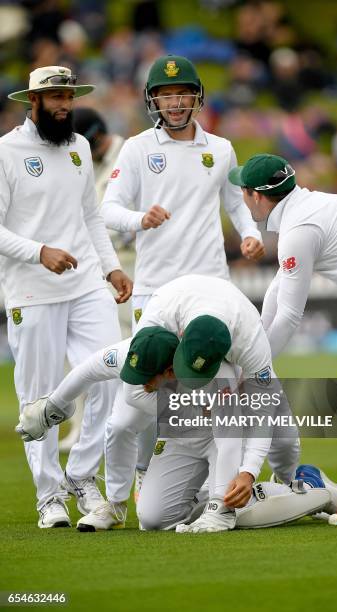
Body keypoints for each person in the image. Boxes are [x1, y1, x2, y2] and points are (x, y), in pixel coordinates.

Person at [16, 275, 301, 532]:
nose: (144, 385)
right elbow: (88, 370)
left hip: (226, 419)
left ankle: (293, 487)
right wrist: (51, 406)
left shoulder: (249, 346)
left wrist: (246, 473)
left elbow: (256, 413)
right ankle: (119, 504)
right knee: (124, 436)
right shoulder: (157, 327)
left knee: (280, 444)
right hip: (184, 416)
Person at [99, 54, 265, 492]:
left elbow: (236, 204)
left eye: (182, 94)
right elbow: (108, 210)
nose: (174, 103)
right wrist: (141, 220)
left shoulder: (220, 148)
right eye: (165, 95)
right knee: (149, 393)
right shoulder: (137, 148)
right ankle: (141, 474)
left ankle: (223, 480)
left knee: (219, 390)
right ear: (153, 100)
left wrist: (250, 233)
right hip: (155, 289)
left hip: (212, 286)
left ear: (196, 98)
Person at [228, 153, 337, 526]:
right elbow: (278, 293)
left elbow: (292, 315)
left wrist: (256, 369)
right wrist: (251, 353)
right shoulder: (302, 211)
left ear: (257, 196)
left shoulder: (299, 229)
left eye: (243, 193)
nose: (243, 202)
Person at [1, 65, 132, 528]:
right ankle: (48, 495)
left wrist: (112, 267)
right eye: (55, 97)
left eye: (69, 96)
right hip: (31, 289)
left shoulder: (78, 147)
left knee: (110, 375)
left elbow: (91, 217)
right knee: (37, 395)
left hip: (86, 283)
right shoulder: (6, 152)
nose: (64, 104)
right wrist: (40, 253)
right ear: (32, 101)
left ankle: (80, 475)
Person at [58, 108, 128, 454]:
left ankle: (133, 429)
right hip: (92, 274)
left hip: (132, 274)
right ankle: (83, 429)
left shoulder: (127, 157)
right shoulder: (82, 163)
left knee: (132, 358)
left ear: (98, 136)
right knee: (88, 359)